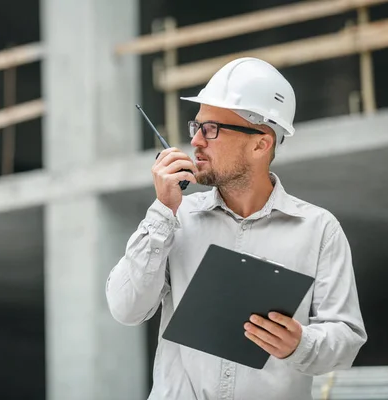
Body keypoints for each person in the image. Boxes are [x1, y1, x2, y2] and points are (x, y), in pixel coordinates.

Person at [105, 57, 367, 400]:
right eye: (195, 126)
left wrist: (300, 344)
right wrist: (162, 211)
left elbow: (346, 339)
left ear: (261, 143)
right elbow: (126, 309)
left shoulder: (318, 230)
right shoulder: (174, 219)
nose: (196, 141)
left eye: (211, 129)